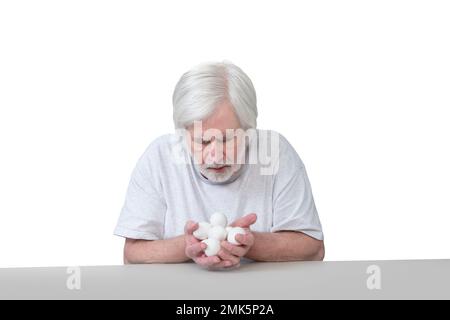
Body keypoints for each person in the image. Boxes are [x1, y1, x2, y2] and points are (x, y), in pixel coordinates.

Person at [114, 61, 324, 270]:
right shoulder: (159, 156)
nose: (215, 156)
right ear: (182, 135)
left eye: (228, 139)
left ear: (250, 130)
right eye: (202, 141)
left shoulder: (275, 152)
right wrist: (193, 243)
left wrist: (247, 242)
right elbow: (132, 254)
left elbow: (313, 249)